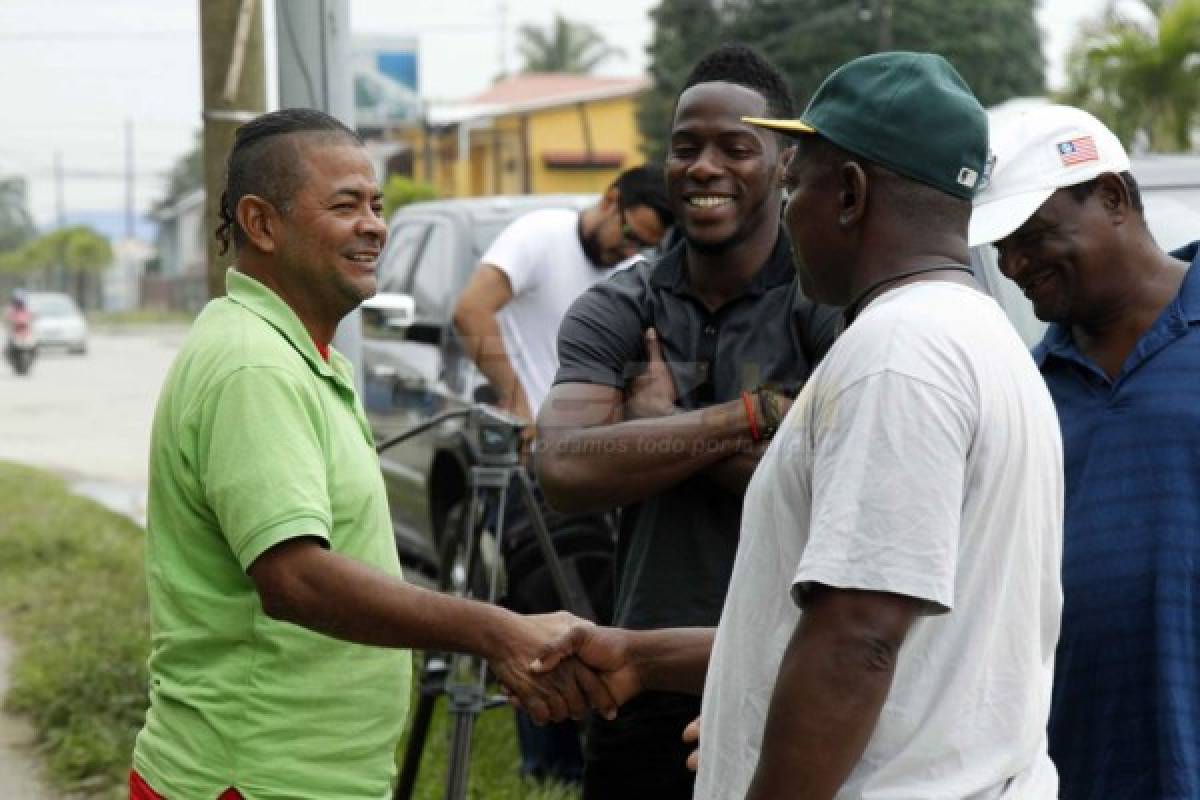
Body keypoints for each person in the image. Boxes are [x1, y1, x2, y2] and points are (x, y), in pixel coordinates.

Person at [534, 52, 1064, 800]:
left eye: (793, 185)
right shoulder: (978, 337)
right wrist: (642, 656)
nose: (787, 212)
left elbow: (858, 637)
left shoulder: (896, 356)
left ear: (848, 193)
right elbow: (900, 633)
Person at [129, 108, 611, 800]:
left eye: (378, 205)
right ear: (262, 224)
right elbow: (296, 578)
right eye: (346, 205)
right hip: (256, 777)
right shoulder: (254, 367)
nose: (375, 226)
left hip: (306, 776)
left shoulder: (299, 354)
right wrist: (497, 631)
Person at [535, 44, 840, 799]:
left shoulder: (825, 304)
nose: (704, 167)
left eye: (736, 147)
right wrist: (755, 413)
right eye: (685, 147)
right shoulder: (620, 305)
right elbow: (565, 470)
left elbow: (842, 494)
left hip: (796, 660)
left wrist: (660, 427)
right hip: (643, 670)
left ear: (784, 163)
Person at [970, 104, 1200, 800]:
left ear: (1112, 197)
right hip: (1078, 768)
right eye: (1001, 247)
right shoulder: (1021, 397)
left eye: (1033, 236)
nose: (1013, 265)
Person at [452, 165, 672, 783]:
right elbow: (471, 311)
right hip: (526, 460)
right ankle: (543, 763)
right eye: (629, 234)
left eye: (643, 247)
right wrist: (520, 404)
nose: (629, 252)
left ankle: (583, 753)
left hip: (592, 464)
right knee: (535, 600)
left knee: (593, 606)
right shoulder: (540, 235)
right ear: (609, 200)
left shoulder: (629, 275)